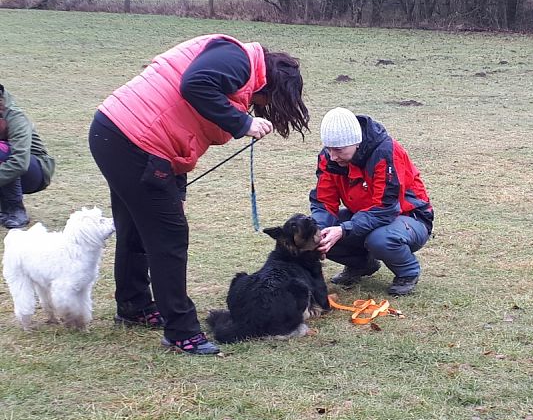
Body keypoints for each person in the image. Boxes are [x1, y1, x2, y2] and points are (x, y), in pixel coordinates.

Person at [89, 34, 309, 355]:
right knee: (170, 237)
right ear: (271, 86)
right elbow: (194, 84)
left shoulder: (236, 64)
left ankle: (134, 306)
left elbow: (182, 128)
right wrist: (242, 122)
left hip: (115, 132)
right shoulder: (239, 61)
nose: (264, 108)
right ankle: (181, 332)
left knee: (135, 227)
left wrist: (176, 184)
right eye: (271, 102)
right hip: (133, 140)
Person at [310, 108, 433, 296]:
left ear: (356, 143)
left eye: (338, 150)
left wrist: (344, 230)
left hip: (408, 216)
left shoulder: (385, 153)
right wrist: (319, 231)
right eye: (328, 148)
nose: (332, 156)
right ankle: (361, 265)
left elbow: (386, 208)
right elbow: (323, 201)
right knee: (318, 234)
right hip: (364, 214)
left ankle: (407, 272)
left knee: (380, 239)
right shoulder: (329, 158)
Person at [0, 84, 56, 229]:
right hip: (10, 169)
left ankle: (15, 209)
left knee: (2, 151)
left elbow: (20, 162)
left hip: (35, 170)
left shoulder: (15, 117)